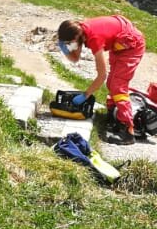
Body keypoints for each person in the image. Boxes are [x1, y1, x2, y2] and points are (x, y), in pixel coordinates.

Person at [57, 14, 147, 142]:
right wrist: (66, 49)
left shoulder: (93, 38)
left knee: (118, 86)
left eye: (69, 43)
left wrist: (85, 95)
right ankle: (111, 117)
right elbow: (75, 58)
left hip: (132, 45)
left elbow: (101, 75)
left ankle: (128, 130)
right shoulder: (80, 31)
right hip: (120, 45)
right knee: (112, 83)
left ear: (75, 38)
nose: (70, 45)